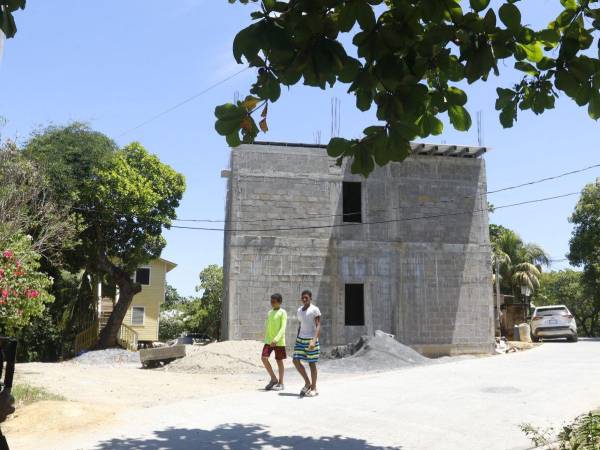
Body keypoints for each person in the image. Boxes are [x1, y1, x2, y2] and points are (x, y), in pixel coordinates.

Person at [293, 289, 321, 397]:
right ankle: (307, 382)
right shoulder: (299, 310)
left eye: (306, 298)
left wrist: (314, 340)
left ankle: (314, 388)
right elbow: (301, 325)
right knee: (295, 360)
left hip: (310, 339)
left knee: (312, 363)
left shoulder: (315, 310)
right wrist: (297, 338)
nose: (304, 299)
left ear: (310, 298)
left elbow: (318, 325)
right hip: (300, 339)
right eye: (303, 297)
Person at [261, 293, 287, 391]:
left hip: (279, 341)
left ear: (279, 302)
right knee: (264, 358)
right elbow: (268, 327)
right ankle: (273, 379)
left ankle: (281, 383)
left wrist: (276, 339)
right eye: (271, 301)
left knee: (279, 361)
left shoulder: (283, 312)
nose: (272, 303)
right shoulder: (269, 312)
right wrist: (267, 339)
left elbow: (283, 327)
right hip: (268, 341)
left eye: (274, 302)